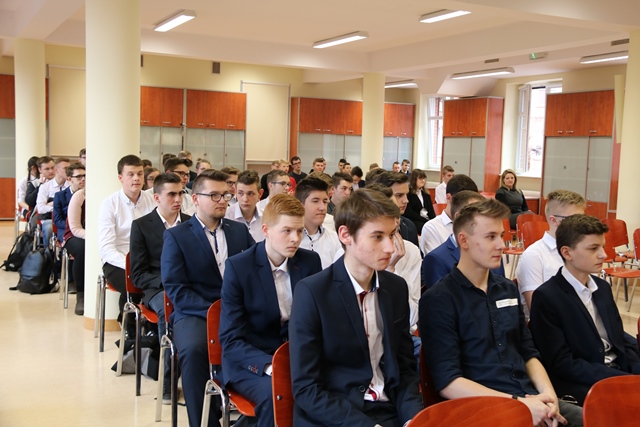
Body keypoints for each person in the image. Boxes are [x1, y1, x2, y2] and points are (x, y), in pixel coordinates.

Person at [420, 199, 583, 427]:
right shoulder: (439, 299)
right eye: (490, 237)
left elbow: (528, 352)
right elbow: (449, 383)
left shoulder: (507, 289)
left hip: (528, 396)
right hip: (483, 409)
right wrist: (519, 405)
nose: (501, 245)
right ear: (464, 240)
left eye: (501, 235)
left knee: (599, 418)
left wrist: (549, 395)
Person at [289, 189, 423, 427]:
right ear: (345, 235)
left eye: (392, 234)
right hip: (335, 414)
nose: (390, 248)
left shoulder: (396, 288)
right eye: (377, 236)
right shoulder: (313, 292)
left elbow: (404, 369)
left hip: (387, 408)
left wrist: (412, 418)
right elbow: (307, 388)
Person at [161, 169, 255, 427]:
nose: (222, 200)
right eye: (214, 195)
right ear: (195, 199)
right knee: (194, 349)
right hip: (195, 312)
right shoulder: (177, 236)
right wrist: (215, 312)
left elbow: (254, 273)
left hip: (237, 310)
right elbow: (177, 289)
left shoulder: (239, 231)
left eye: (225, 194)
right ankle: (204, 422)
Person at [219, 194, 323, 427]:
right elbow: (230, 339)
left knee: (334, 387)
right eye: (287, 231)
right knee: (276, 395)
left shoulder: (310, 262)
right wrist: (271, 365)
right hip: (252, 360)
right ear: (265, 230)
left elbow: (318, 320)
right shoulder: (239, 267)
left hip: (298, 357)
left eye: (299, 231)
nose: (295, 239)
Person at [529, 214, 640, 405]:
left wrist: (635, 370)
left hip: (616, 370)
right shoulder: (547, 297)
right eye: (593, 248)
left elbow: (619, 339)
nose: (603, 255)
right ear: (567, 253)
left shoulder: (602, 287)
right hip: (584, 380)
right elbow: (561, 362)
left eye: (602, 246)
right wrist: (620, 379)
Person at [130, 172, 191, 403]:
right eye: (171, 194)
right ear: (156, 198)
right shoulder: (141, 226)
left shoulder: (191, 223)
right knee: (170, 310)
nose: (177, 199)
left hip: (189, 286)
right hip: (158, 288)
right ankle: (168, 381)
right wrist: (169, 283)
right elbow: (138, 274)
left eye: (180, 193)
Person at [98, 155, 156, 321]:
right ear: (120, 178)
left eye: (140, 174)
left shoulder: (153, 201)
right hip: (118, 262)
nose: (136, 178)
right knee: (134, 285)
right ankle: (129, 329)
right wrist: (131, 264)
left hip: (147, 260)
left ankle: (149, 328)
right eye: (131, 174)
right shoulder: (109, 204)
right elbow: (106, 249)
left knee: (162, 284)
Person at [516, 190, 586, 316]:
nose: (581, 225)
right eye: (575, 219)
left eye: (583, 219)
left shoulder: (581, 251)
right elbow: (538, 310)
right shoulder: (534, 255)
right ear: (554, 221)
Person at [421, 191, 505, 289]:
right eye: (477, 214)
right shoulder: (437, 259)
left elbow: (503, 291)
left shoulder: (493, 252)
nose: (501, 245)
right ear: (458, 218)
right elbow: (442, 296)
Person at [419, 174, 477, 255]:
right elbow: (437, 261)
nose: (469, 208)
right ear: (448, 197)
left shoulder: (477, 224)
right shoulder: (432, 228)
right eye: (464, 202)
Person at [295, 177, 342, 269]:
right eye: (315, 201)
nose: (322, 207)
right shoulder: (290, 239)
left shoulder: (335, 239)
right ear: (299, 204)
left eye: (325, 202)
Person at [376, 171, 419, 247]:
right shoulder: (372, 231)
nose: (406, 201)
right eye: (399, 195)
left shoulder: (410, 226)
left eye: (406, 195)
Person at [36, 157, 70, 246]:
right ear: (56, 170)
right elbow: (41, 208)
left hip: (66, 218)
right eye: (65, 168)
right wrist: (57, 207)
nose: (69, 171)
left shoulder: (70, 186)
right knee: (48, 228)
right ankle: (47, 252)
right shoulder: (45, 187)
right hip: (49, 219)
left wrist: (50, 203)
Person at [225, 169, 265, 242]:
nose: (245, 199)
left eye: (250, 194)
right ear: (235, 192)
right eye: (240, 193)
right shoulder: (226, 217)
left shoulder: (267, 218)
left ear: (260, 194)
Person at [64, 186, 86, 315]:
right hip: (75, 235)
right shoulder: (79, 196)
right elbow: (75, 228)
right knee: (82, 249)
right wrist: (94, 238)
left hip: (99, 235)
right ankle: (81, 294)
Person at [53, 162, 85, 244]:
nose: (83, 179)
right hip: (66, 229)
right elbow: (57, 220)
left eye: (84, 176)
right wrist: (72, 225)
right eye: (79, 177)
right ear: (69, 179)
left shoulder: (89, 195)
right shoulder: (60, 196)